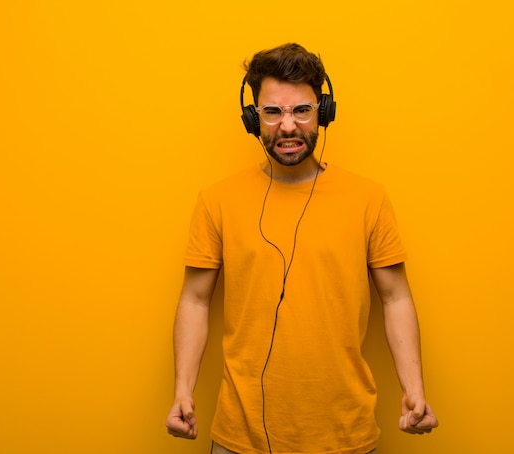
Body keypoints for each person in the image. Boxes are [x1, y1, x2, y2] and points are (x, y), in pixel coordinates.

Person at [165, 43, 438, 454]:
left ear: (323, 113)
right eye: (272, 112)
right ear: (252, 118)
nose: (288, 126)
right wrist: (183, 391)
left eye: (301, 110)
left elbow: (396, 297)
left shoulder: (369, 198)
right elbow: (196, 300)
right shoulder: (216, 200)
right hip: (240, 438)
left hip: (346, 436)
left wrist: (414, 390)